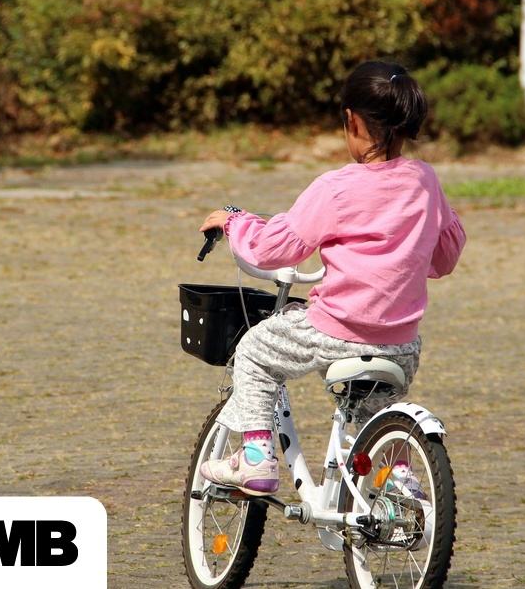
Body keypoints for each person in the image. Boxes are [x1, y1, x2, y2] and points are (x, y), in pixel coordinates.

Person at [197, 60, 467, 496]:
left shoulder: (336, 187)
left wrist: (236, 223)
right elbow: (446, 256)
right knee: (373, 410)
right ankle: (397, 479)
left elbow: (273, 249)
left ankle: (255, 459)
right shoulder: (426, 181)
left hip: (336, 332)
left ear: (352, 121)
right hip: (401, 346)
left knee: (254, 352)